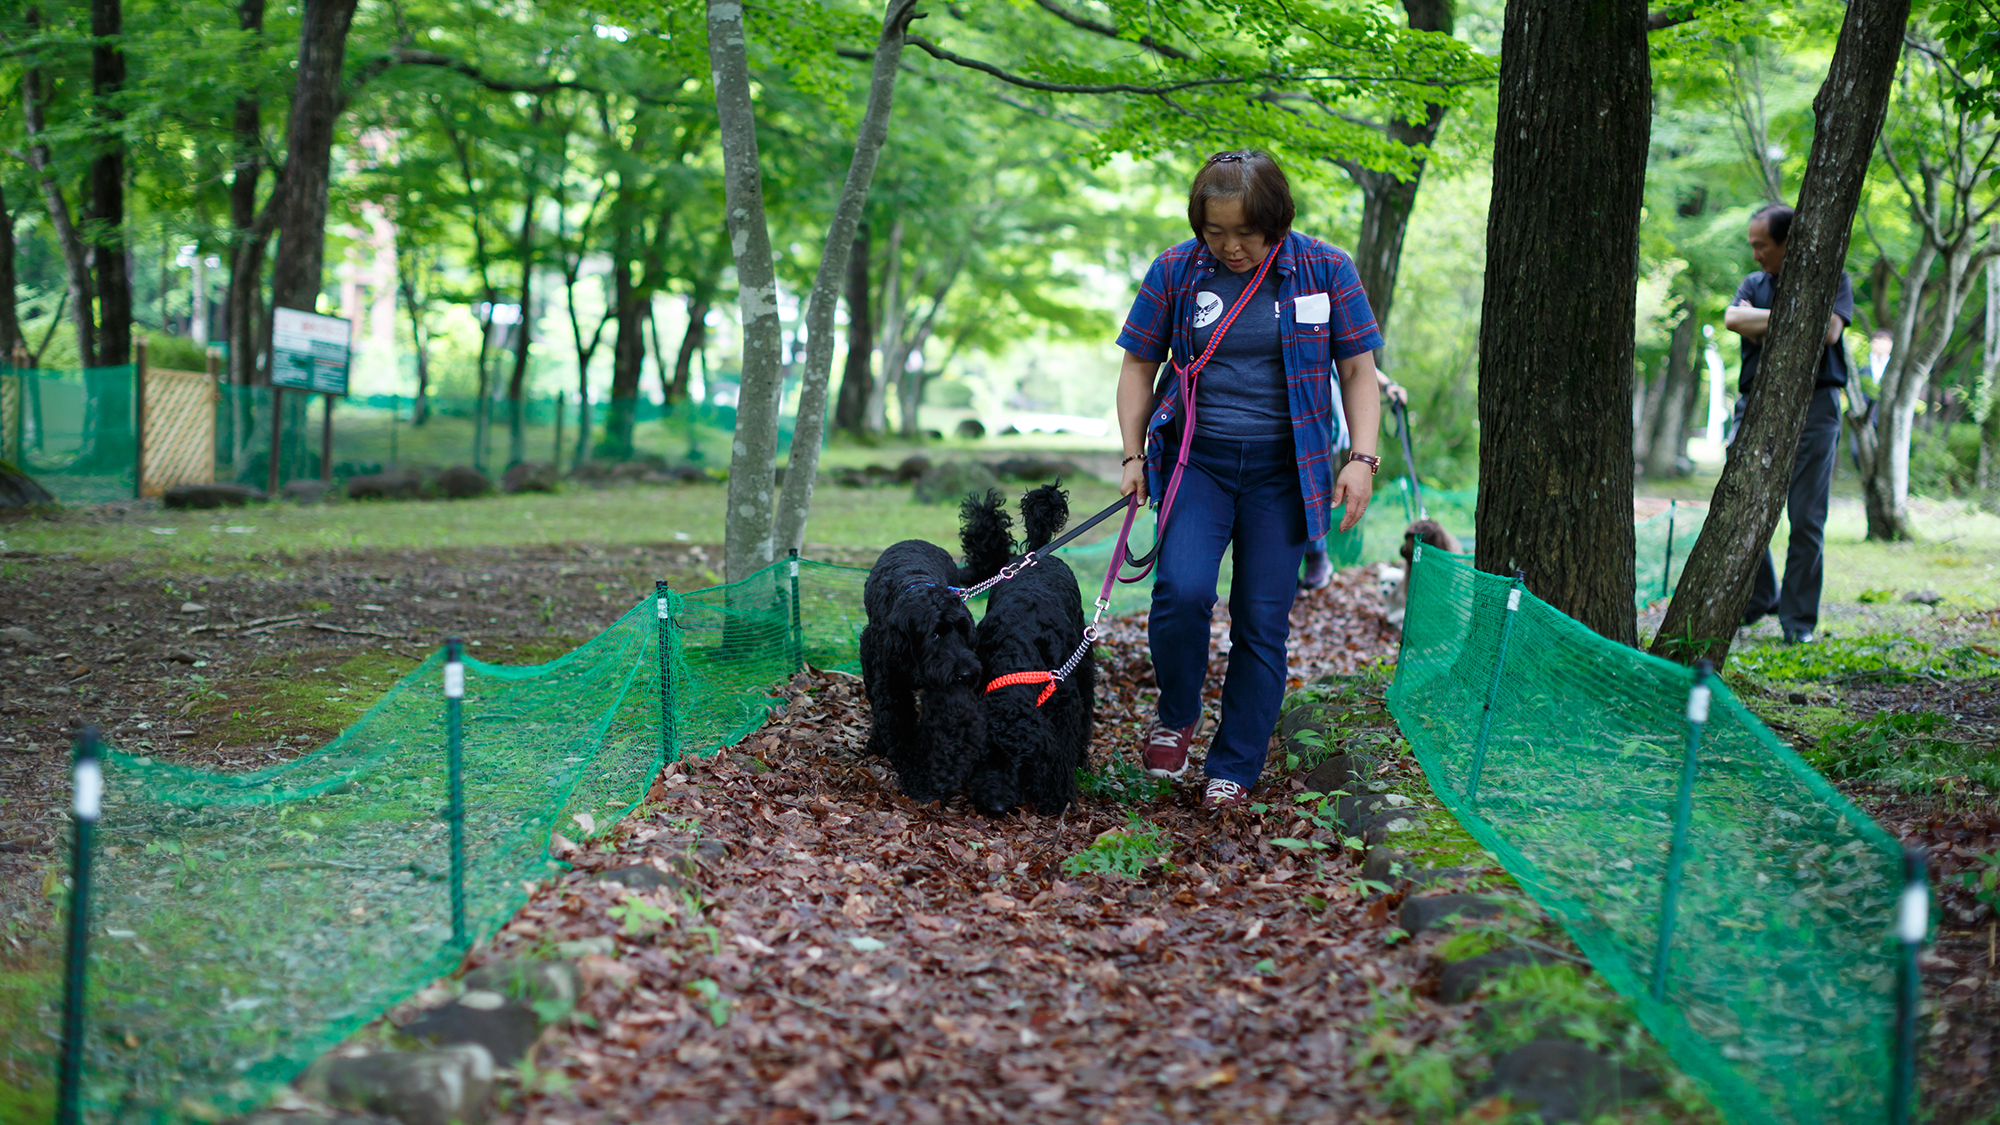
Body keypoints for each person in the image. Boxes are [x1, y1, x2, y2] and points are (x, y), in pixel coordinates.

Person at [1115, 150, 1383, 811]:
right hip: (1195, 464)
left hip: (1284, 473)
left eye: (1245, 232)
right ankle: (1177, 714)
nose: (1231, 247)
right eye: (1216, 231)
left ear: (1276, 220)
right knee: (1181, 591)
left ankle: (1233, 761)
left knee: (1262, 619)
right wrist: (1130, 454)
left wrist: (1362, 458)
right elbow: (1136, 366)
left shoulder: (1325, 268)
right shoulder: (1177, 270)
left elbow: (1357, 370)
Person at [1722, 202, 1854, 645]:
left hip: (1816, 408)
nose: (1756, 254)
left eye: (1762, 246)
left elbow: (1830, 332)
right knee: (1735, 504)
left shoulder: (1830, 278)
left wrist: (1762, 327)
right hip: (1754, 404)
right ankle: (1760, 597)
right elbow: (1731, 318)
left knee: (1806, 519)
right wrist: (1798, 323)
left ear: (1786, 243)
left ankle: (1798, 623)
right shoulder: (1753, 283)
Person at [1298, 369, 1408, 592]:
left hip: (1320, 426)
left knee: (1309, 490)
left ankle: (1316, 558)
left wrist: (1388, 385)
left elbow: (1356, 364)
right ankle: (1308, 562)